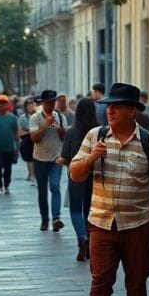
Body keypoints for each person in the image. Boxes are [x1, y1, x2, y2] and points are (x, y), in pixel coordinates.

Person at [70, 83, 149, 296]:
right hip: (101, 223)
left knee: (136, 284)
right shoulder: (94, 136)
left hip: (137, 225)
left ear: (131, 111)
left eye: (116, 106)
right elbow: (75, 174)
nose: (108, 110)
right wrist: (90, 158)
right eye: (107, 106)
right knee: (100, 283)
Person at [58, 98, 100, 261]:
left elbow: (65, 156)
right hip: (95, 175)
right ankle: (91, 243)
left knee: (75, 209)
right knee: (89, 210)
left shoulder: (72, 131)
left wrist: (62, 161)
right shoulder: (100, 130)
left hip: (76, 175)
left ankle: (82, 237)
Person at [30, 90, 67, 231]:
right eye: (49, 102)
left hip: (56, 159)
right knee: (42, 191)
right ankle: (45, 219)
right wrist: (46, 125)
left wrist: (59, 129)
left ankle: (56, 218)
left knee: (55, 186)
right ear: (43, 103)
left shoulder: (61, 117)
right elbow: (34, 138)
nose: (51, 105)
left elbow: (65, 137)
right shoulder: (35, 117)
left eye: (53, 102)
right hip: (40, 159)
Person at [18, 100, 37, 183]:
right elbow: (20, 131)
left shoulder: (39, 115)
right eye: (28, 106)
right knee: (29, 158)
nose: (30, 107)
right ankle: (31, 174)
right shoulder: (23, 118)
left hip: (37, 139)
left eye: (32, 105)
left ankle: (34, 173)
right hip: (27, 140)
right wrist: (30, 132)